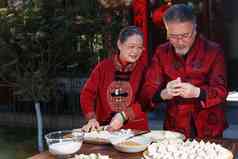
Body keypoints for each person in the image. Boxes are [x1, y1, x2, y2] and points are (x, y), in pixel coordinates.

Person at [140, 4, 228, 138]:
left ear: (195, 29)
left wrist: (197, 92)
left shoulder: (213, 51)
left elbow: (221, 91)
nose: (180, 42)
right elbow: (147, 91)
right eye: (173, 36)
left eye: (185, 35)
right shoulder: (162, 52)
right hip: (175, 127)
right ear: (166, 31)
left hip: (209, 126)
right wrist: (164, 93)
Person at [80, 26, 149, 132]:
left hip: (135, 131)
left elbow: (146, 101)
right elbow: (87, 94)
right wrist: (91, 118)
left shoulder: (144, 70)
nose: (135, 51)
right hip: (105, 130)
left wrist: (124, 115)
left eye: (140, 48)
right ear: (120, 45)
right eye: (131, 46)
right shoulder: (103, 67)